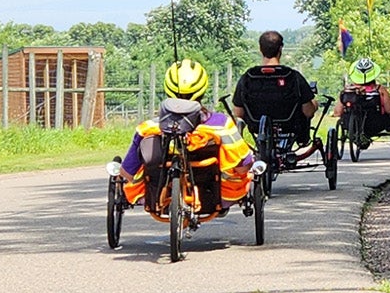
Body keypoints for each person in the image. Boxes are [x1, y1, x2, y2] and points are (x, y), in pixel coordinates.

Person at [117, 58, 252, 211]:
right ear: (202, 90)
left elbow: (127, 172)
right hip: (220, 197)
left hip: (155, 197)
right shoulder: (222, 125)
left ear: (169, 89)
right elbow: (242, 168)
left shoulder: (148, 128)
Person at [232, 30, 320, 145]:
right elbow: (308, 112)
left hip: (257, 125)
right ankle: (303, 140)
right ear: (280, 49)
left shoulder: (248, 77)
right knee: (311, 104)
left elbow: (238, 113)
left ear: (260, 49)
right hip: (290, 125)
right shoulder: (293, 77)